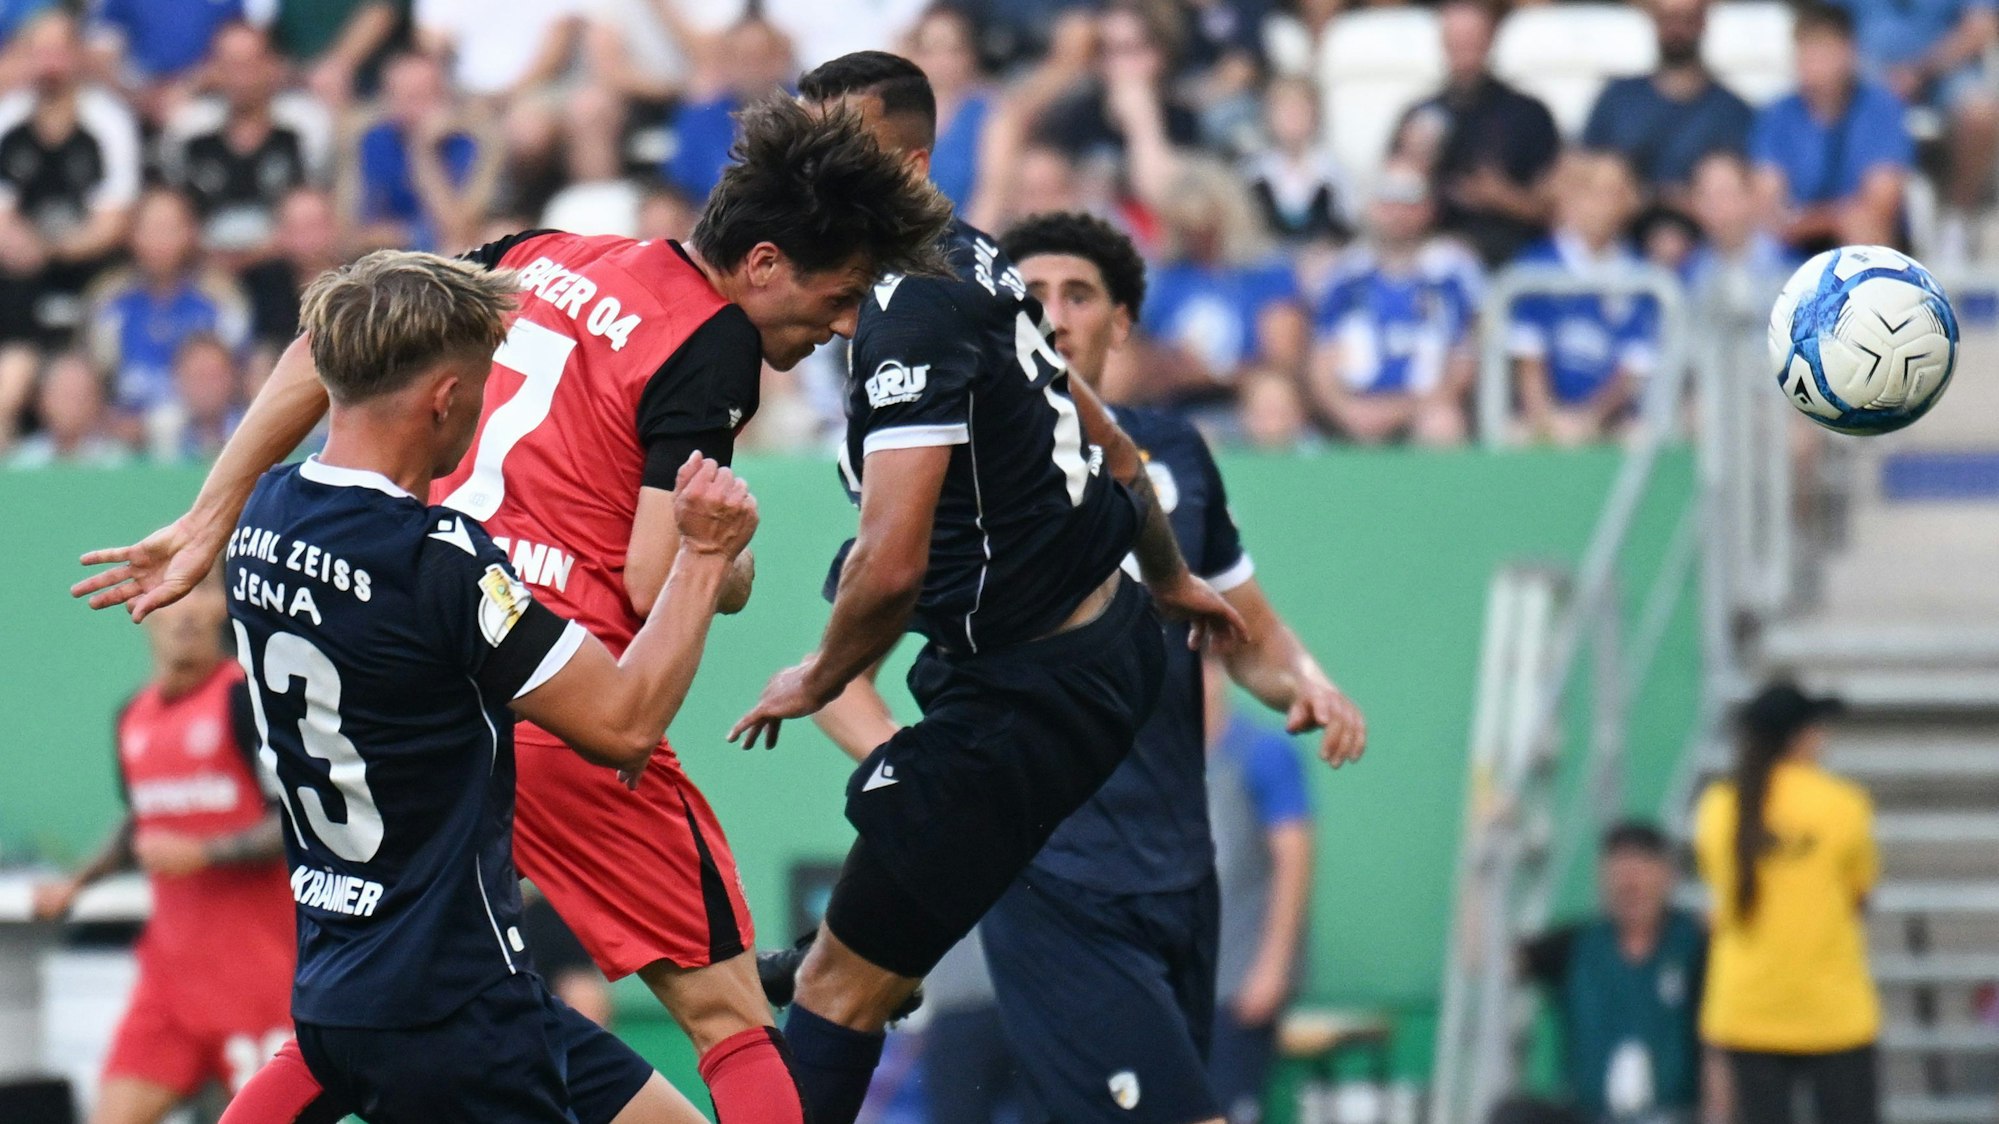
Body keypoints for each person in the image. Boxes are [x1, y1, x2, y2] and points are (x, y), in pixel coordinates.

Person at [75, 96, 956, 1124]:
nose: (844, 324)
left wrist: (207, 514)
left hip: (416, 679)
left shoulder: (542, 250)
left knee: (385, 994)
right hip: (551, 692)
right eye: (839, 294)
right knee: (727, 1015)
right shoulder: (713, 341)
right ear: (762, 263)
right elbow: (650, 576)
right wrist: (730, 559)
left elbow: (344, 334)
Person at [736, 52, 1249, 1124]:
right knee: (868, 912)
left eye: (839, 153)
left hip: (1027, 696)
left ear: (910, 161)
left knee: (837, 994)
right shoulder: (966, 252)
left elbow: (891, 564)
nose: (811, 179)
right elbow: (1106, 441)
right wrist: (1169, 575)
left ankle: (860, 955)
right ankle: (879, 926)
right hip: (1084, 642)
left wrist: (815, 673)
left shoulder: (911, 304)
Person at [158, 248, 755, 1124]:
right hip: (453, 1007)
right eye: (482, 383)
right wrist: (702, 559)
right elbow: (624, 725)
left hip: (339, 986)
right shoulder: (435, 559)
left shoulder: (266, 514)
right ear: (446, 398)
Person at [32, 574, 292, 1124]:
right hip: (169, 986)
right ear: (144, 610)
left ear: (226, 606)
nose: (187, 612)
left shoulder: (248, 700)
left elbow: (297, 820)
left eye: (202, 592)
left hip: (259, 981)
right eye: (174, 597)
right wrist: (76, 885)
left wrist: (206, 852)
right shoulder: (134, 716)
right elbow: (140, 823)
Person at [1694, 682, 1881, 1124]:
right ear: (1802, 737)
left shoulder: (1719, 807)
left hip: (1748, 1008)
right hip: (1832, 1009)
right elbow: (1860, 896)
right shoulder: (1843, 804)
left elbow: (1718, 888)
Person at [1520, 822, 1711, 1124]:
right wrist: (1483, 866)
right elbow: (1485, 960)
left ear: (1667, 878)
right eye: (1620, 878)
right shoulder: (1577, 945)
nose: (1630, 889)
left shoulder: (1695, 944)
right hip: (1587, 1113)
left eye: (1640, 878)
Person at [1204, 666, 1319, 1124]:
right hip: (1176, 990)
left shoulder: (1261, 754)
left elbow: (1294, 860)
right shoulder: (1160, 762)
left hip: (1238, 984)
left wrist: (1273, 967)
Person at [1307, 160, 1481, 446]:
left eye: (1408, 203)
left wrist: (1406, 409)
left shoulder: (1454, 270)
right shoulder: (1345, 274)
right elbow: (1322, 359)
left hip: (1426, 409)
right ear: (1371, 208)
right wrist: (1349, 411)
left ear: (1428, 209)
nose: (1397, 214)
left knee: (1443, 425)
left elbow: (1466, 357)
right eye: (1388, 202)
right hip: (1357, 410)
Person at [1391, 0, 1559, 267]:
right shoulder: (1420, 115)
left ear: (1491, 39)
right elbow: (1391, 194)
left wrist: (1502, 197)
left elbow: (1557, 208)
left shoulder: (1529, 114)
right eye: (1455, 39)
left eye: (1472, 39)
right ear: (1442, 43)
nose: (1463, 48)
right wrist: (1416, 169)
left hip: (1516, 254)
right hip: (1433, 254)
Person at [1507, 152, 1658, 445]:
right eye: (1589, 192)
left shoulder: (1641, 275)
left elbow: (1633, 371)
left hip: (1611, 419)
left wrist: (1590, 419)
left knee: (1643, 438)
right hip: (1544, 414)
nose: (1599, 207)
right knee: (1512, 435)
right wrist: (1547, 420)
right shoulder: (1536, 265)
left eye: (1612, 194)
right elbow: (1528, 360)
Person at [1839, 0, 1999, 262]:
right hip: (1866, 80)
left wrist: (1918, 71)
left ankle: (1958, 222)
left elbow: (1982, 26)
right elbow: (1826, 27)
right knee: (1841, 102)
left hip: (1944, 75)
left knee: (1980, 112)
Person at [85, 188, 252, 434]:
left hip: (209, 434)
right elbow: (95, 377)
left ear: (190, 232)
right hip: (127, 436)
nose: (160, 240)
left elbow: (243, 372)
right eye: (150, 229)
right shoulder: (109, 297)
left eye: (170, 228)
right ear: (132, 235)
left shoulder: (221, 296)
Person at [1750, 3, 1912, 255]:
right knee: (1756, 241)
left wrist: (1817, 220)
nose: (1811, 63)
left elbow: (1881, 202)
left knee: (1863, 228)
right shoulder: (1779, 114)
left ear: (1849, 52)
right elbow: (1766, 203)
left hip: (1851, 242)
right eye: (1805, 51)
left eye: (1822, 50)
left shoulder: (1880, 109)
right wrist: (1830, 218)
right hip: (1795, 243)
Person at [161, 22, 327, 256]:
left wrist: (260, 253)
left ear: (272, 66)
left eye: (249, 64)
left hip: (286, 263)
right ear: (213, 69)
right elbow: (176, 209)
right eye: (230, 65)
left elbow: (317, 206)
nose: (240, 78)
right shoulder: (189, 129)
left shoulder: (304, 126)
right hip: (203, 267)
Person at [1580, 0, 1752, 214]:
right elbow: (1583, 170)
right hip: (1622, 233)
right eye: (1667, 18)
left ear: (1703, 22)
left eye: (1686, 19)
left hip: (1706, 237)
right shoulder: (1618, 99)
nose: (1676, 29)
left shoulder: (1732, 111)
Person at [340, 50, 502, 254]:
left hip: (443, 253)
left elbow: (459, 231)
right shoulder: (371, 141)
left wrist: (424, 153)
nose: (419, 107)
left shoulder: (469, 144)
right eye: (408, 96)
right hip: (382, 257)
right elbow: (348, 231)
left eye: (427, 96)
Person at [7, 350, 129, 468]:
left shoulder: (118, 462)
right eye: (64, 394)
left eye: (81, 395)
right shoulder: (22, 462)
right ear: (43, 401)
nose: (72, 405)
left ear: (98, 402)